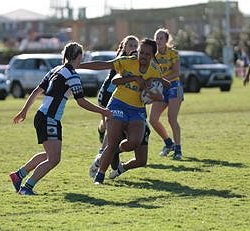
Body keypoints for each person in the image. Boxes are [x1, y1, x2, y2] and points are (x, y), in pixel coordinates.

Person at [9, 42, 112, 195]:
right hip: (49, 118)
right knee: (54, 159)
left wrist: (24, 111)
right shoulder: (72, 75)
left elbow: (37, 91)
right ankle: (26, 188)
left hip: (43, 116)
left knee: (50, 155)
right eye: (81, 57)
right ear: (77, 57)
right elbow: (82, 102)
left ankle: (19, 175)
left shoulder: (55, 70)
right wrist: (104, 111)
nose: (81, 61)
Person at [79, 38, 167, 184]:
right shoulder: (127, 61)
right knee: (112, 142)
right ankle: (99, 176)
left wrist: (155, 94)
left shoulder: (155, 71)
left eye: (147, 54)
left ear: (152, 56)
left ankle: (111, 154)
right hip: (118, 105)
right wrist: (78, 65)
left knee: (134, 142)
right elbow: (109, 72)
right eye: (141, 52)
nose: (142, 56)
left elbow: (161, 93)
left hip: (137, 110)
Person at [90, 35, 139, 177]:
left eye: (136, 46)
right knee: (109, 127)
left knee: (111, 129)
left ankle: (110, 156)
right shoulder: (122, 59)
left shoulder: (136, 59)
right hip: (109, 95)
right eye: (130, 45)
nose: (134, 48)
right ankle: (101, 155)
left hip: (122, 99)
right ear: (124, 47)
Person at [149, 28, 184, 160]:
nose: (158, 41)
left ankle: (178, 150)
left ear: (166, 40)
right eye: (156, 38)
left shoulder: (173, 53)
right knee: (152, 119)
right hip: (161, 88)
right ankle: (169, 143)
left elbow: (176, 72)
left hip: (174, 86)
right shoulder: (153, 56)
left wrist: (160, 80)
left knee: (171, 119)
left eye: (161, 38)